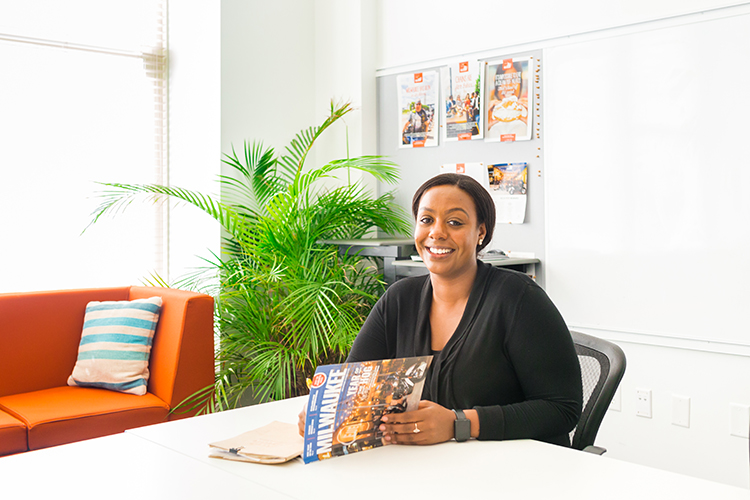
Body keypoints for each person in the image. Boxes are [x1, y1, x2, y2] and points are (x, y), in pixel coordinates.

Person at [299, 173, 582, 447]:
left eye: (455, 222)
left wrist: (459, 423)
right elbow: (353, 387)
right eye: (426, 220)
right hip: (424, 469)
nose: (436, 232)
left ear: (480, 232)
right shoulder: (399, 299)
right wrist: (327, 411)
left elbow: (562, 409)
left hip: (515, 471)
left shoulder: (518, 299)